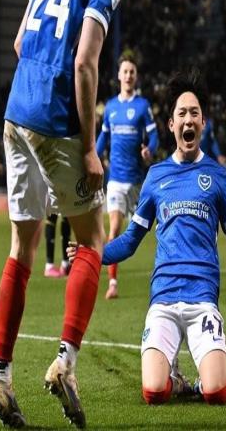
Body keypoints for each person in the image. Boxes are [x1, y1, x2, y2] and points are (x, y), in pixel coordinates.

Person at [71, 70, 226, 406]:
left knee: (216, 393)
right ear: (171, 124)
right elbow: (130, 240)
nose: (188, 119)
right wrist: (92, 253)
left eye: (195, 113)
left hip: (202, 297)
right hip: (163, 298)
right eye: (182, 113)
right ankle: (174, 378)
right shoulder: (156, 176)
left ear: (203, 123)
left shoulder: (218, 176)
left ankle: (199, 379)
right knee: (154, 392)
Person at [0, 0, 120, 428]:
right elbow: (84, 62)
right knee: (92, 240)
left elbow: (20, 44)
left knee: (20, 249)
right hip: (53, 117)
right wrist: (89, 148)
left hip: (16, 112)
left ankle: (1, 380)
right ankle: (65, 363)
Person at [96, 52, 158, 300]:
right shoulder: (110, 107)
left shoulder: (143, 106)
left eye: (132, 71)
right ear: (119, 76)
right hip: (116, 180)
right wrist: (93, 158)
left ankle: (167, 276)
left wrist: (149, 150)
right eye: (125, 71)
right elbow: (103, 138)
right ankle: (112, 283)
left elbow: (154, 136)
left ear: (136, 76)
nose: (129, 75)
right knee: (114, 229)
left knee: (152, 230)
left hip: (138, 182)